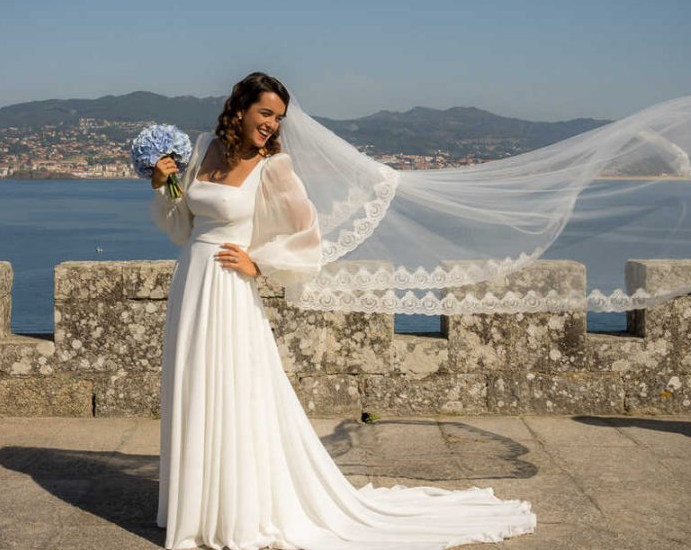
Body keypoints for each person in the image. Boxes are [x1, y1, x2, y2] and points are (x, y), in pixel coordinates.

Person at [149, 71, 537, 549]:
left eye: (278, 118)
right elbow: (182, 227)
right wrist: (162, 185)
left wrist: (260, 262)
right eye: (265, 113)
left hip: (231, 288)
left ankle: (235, 510)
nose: (271, 124)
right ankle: (195, 508)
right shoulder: (204, 148)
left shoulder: (274, 167)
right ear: (240, 109)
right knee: (193, 384)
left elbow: (307, 235)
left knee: (232, 389)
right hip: (192, 280)